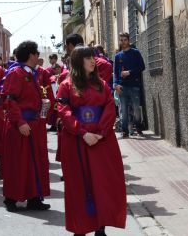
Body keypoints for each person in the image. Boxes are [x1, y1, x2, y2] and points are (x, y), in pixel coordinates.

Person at [57, 46, 126, 235]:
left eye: (92, 57)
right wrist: (82, 133)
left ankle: (100, 226)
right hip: (77, 141)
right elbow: (64, 111)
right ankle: (80, 227)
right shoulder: (66, 85)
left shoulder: (102, 84)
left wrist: (101, 133)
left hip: (102, 141)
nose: (92, 61)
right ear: (79, 61)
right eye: (87, 58)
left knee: (103, 183)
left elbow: (110, 107)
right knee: (79, 185)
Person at [1, 41, 51, 212]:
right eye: (37, 53)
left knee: (34, 162)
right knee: (18, 164)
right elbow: (9, 99)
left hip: (33, 125)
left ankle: (34, 198)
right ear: (31, 55)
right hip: (20, 126)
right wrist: (20, 122)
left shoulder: (31, 73)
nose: (38, 56)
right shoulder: (16, 73)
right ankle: (11, 198)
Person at [113, 32, 146, 138]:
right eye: (121, 40)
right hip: (122, 87)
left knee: (136, 109)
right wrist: (115, 84)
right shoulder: (118, 56)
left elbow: (142, 67)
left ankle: (139, 129)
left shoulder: (135, 53)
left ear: (128, 40)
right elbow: (115, 72)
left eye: (125, 40)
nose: (123, 42)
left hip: (134, 86)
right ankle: (125, 131)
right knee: (123, 110)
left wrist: (129, 72)